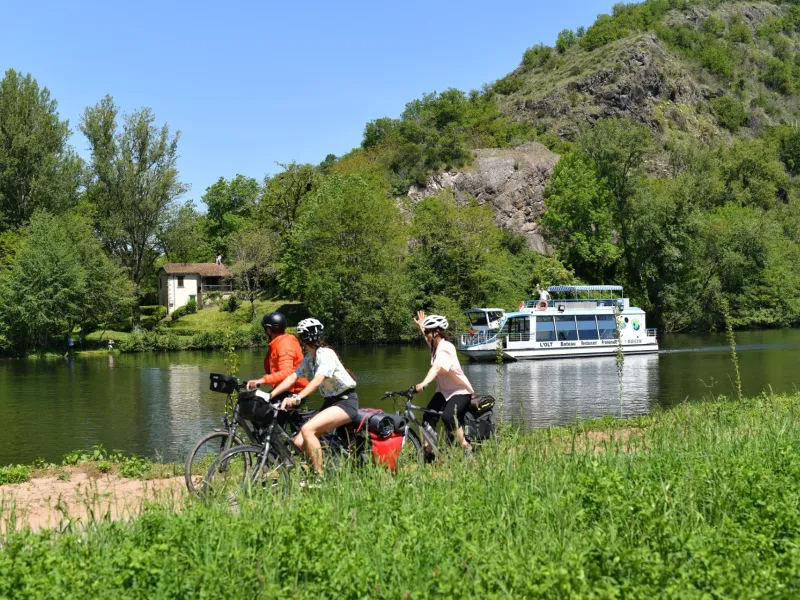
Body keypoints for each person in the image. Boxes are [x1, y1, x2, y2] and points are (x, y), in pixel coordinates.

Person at [268, 318, 358, 475]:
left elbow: (317, 381)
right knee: (297, 442)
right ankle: (324, 467)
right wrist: (270, 395)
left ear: (302, 338)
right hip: (330, 403)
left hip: (345, 402)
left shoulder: (326, 354)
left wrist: (297, 397)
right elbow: (293, 377)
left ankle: (319, 477)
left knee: (308, 430)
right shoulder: (310, 358)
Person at [413, 312, 474, 454]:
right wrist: (422, 326)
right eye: (426, 331)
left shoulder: (446, 347)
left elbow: (437, 368)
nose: (426, 334)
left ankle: (466, 447)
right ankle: (428, 450)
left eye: (429, 331)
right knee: (428, 418)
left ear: (437, 332)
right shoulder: (435, 346)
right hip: (443, 392)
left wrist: (424, 383)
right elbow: (428, 340)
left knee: (448, 417)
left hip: (460, 392)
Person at [246, 313, 308, 409]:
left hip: (295, 392)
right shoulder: (278, 343)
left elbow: (287, 372)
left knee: (259, 410)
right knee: (256, 405)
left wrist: (262, 380)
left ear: (268, 330)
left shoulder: (285, 344)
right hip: (284, 390)